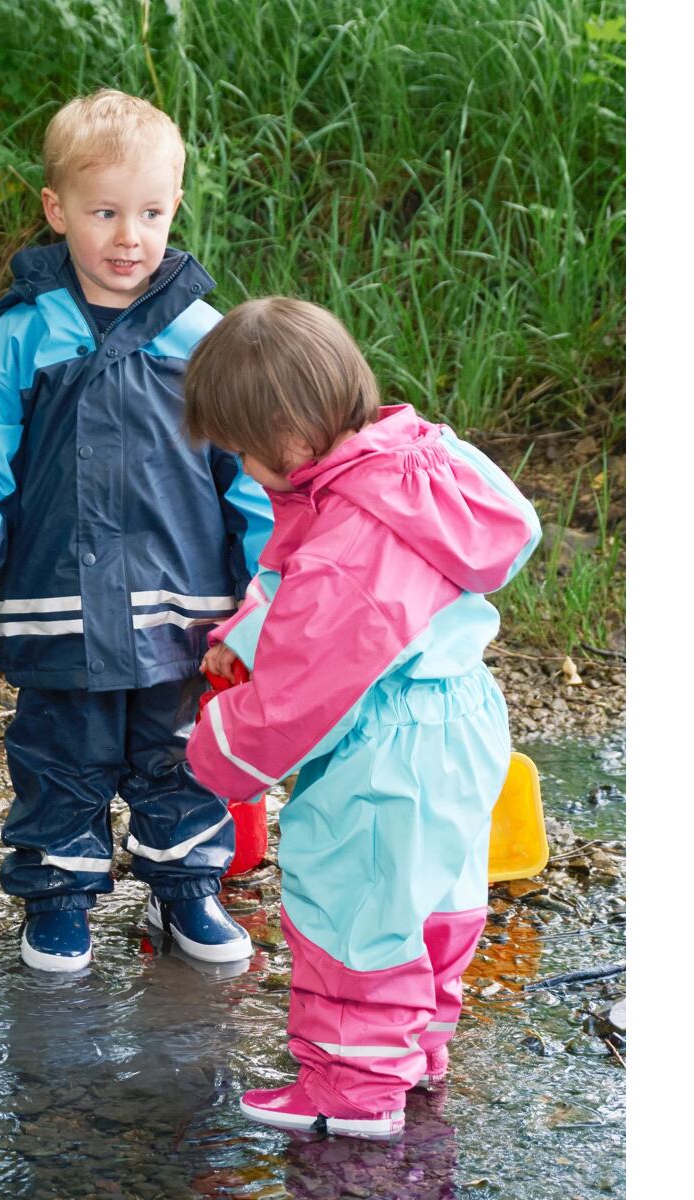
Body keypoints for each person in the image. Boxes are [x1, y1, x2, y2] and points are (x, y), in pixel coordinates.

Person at [0, 91, 273, 972]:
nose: (128, 237)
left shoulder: (203, 337)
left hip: (180, 601)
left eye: (149, 214)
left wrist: (268, 582)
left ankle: (185, 889)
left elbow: (254, 471)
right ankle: (58, 896)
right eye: (104, 212)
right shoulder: (23, 337)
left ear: (174, 212)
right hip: (57, 593)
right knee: (60, 752)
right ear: (58, 211)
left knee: (179, 749)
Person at [183, 297, 541, 1139]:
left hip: (388, 745)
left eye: (241, 450)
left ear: (289, 437)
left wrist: (216, 748)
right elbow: (304, 580)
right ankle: (414, 1051)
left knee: (354, 899)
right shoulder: (409, 467)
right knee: (434, 894)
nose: (243, 467)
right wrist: (246, 633)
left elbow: (306, 689)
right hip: (463, 718)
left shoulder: (350, 538)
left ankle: (352, 1092)